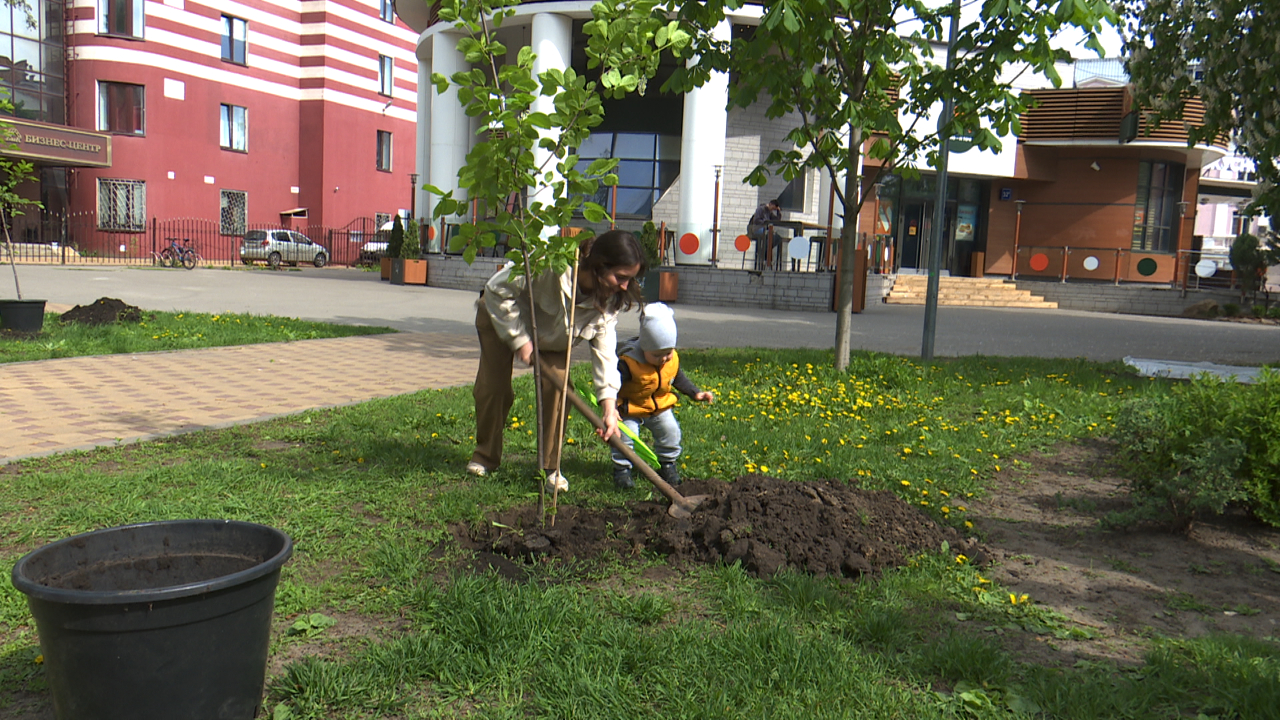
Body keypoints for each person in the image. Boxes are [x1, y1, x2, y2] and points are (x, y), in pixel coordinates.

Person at [467, 229, 645, 493]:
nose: (625, 286)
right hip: (501, 319)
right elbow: (496, 289)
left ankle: (550, 468)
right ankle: (485, 457)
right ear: (598, 264)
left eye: (630, 279)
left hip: (553, 339)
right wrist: (521, 341)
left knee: (561, 389)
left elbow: (606, 354)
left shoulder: (609, 300)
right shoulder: (549, 264)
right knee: (494, 389)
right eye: (620, 277)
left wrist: (609, 408)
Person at [610, 303, 715, 489]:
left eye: (668, 352)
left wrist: (695, 393)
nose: (664, 359)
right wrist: (610, 407)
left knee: (670, 430)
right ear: (644, 347)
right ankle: (623, 469)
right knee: (626, 436)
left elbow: (677, 378)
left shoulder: (670, 360)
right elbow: (612, 385)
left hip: (658, 406)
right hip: (630, 408)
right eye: (657, 355)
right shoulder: (629, 362)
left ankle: (668, 464)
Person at [747, 198, 782, 270]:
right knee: (769, 235)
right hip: (757, 229)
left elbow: (777, 220)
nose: (772, 210)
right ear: (770, 204)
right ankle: (764, 254)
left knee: (777, 238)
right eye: (772, 208)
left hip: (765, 230)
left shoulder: (769, 212)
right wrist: (766, 222)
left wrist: (778, 212)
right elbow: (756, 220)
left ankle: (764, 251)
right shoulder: (760, 209)